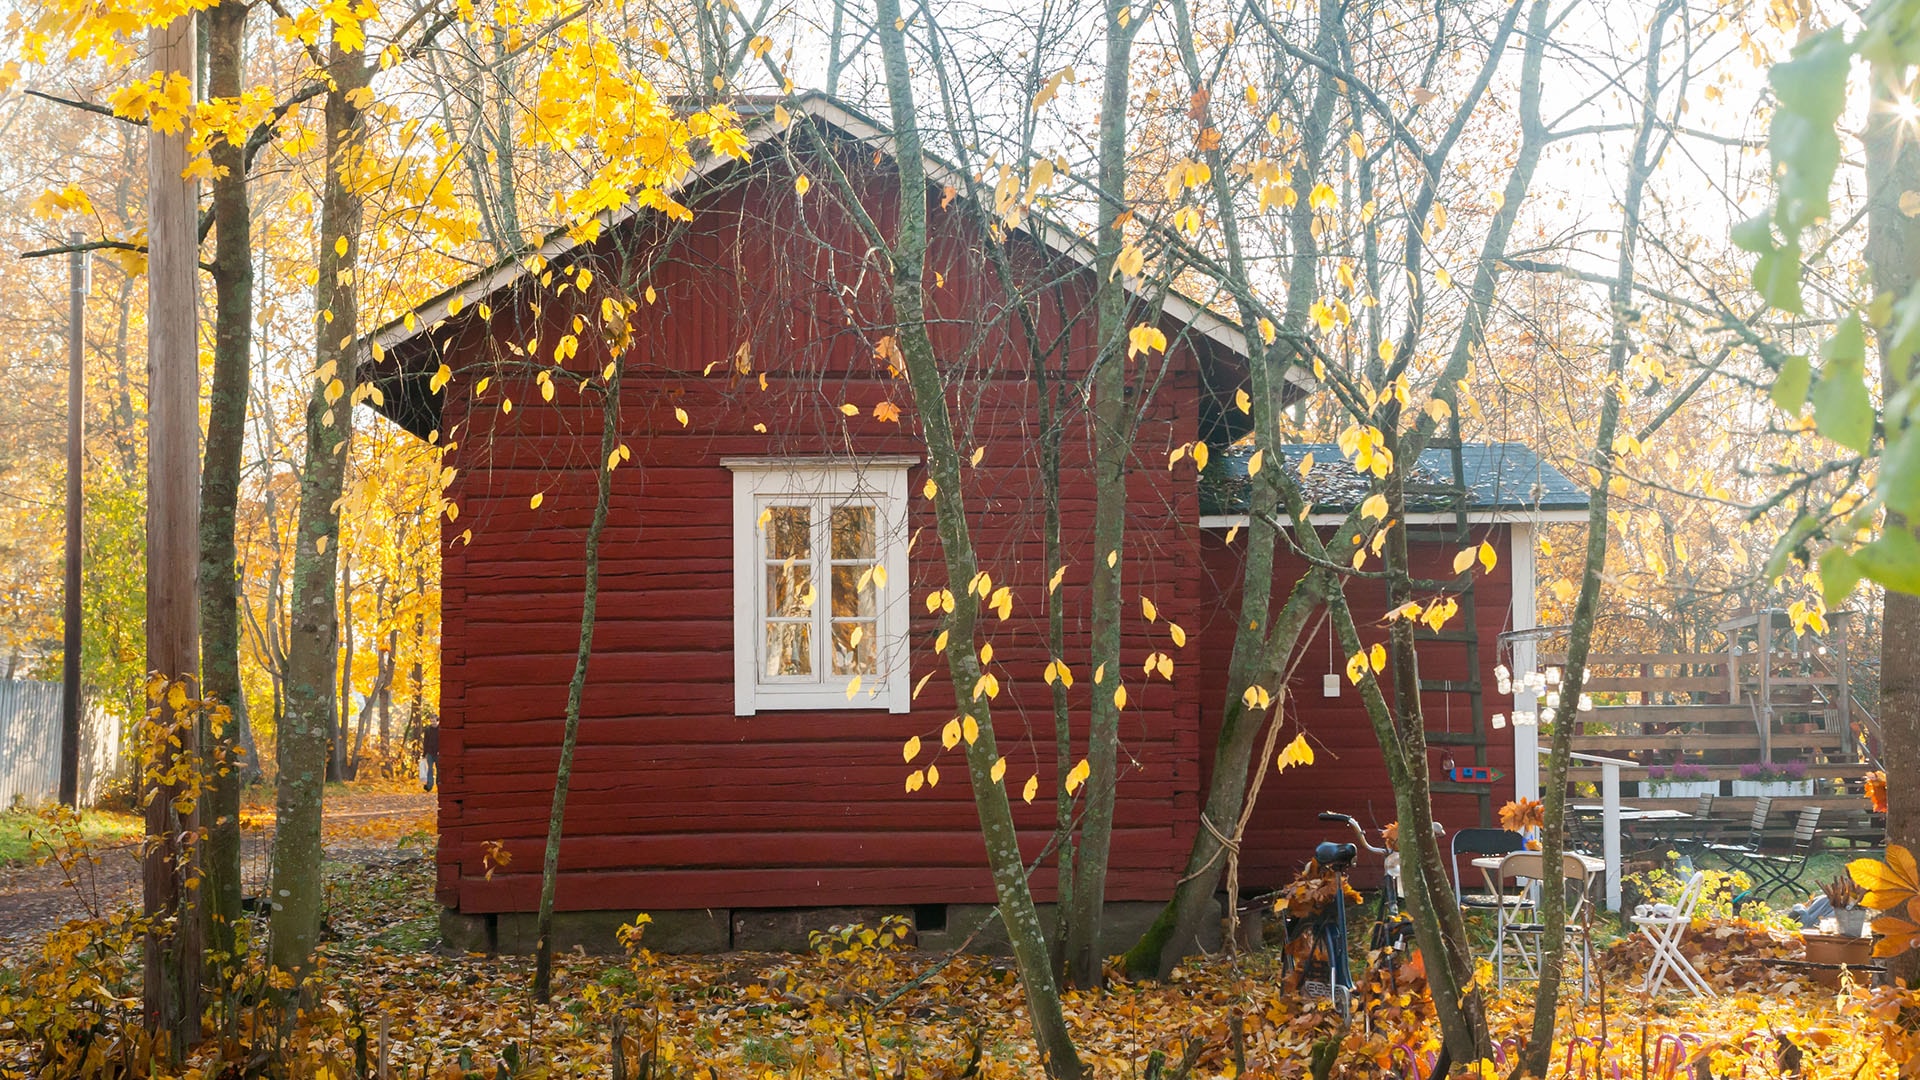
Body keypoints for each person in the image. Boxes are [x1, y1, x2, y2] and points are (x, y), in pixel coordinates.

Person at [421, 721, 440, 792]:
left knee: (439, 769)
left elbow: (444, 741)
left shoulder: (441, 729)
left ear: (437, 721)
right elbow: (425, 741)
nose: (433, 723)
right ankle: (429, 785)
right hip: (430, 753)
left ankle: (439, 784)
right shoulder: (428, 730)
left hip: (438, 753)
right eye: (432, 721)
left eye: (434, 721)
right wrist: (424, 753)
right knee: (430, 769)